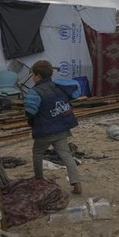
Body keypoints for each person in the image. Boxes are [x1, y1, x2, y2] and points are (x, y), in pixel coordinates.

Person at [24, 60, 84, 194]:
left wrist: (29, 118)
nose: (32, 78)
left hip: (44, 131)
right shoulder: (60, 86)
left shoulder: (35, 92)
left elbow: (30, 112)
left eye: (33, 75)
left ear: (37, 76)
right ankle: (76, 183)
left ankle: (39, 180)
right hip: (62, 128)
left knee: (38, 153)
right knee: (66, 155)